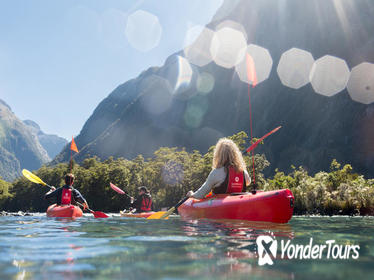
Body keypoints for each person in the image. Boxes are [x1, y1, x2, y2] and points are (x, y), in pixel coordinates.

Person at [186, 138, 251, 199]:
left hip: (220, 208)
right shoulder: (243, 172)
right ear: (235, 154)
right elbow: (248, 182)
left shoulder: (216, 172)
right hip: (238, 206)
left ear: (218, 155)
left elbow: (200, 195)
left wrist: (191, 195)